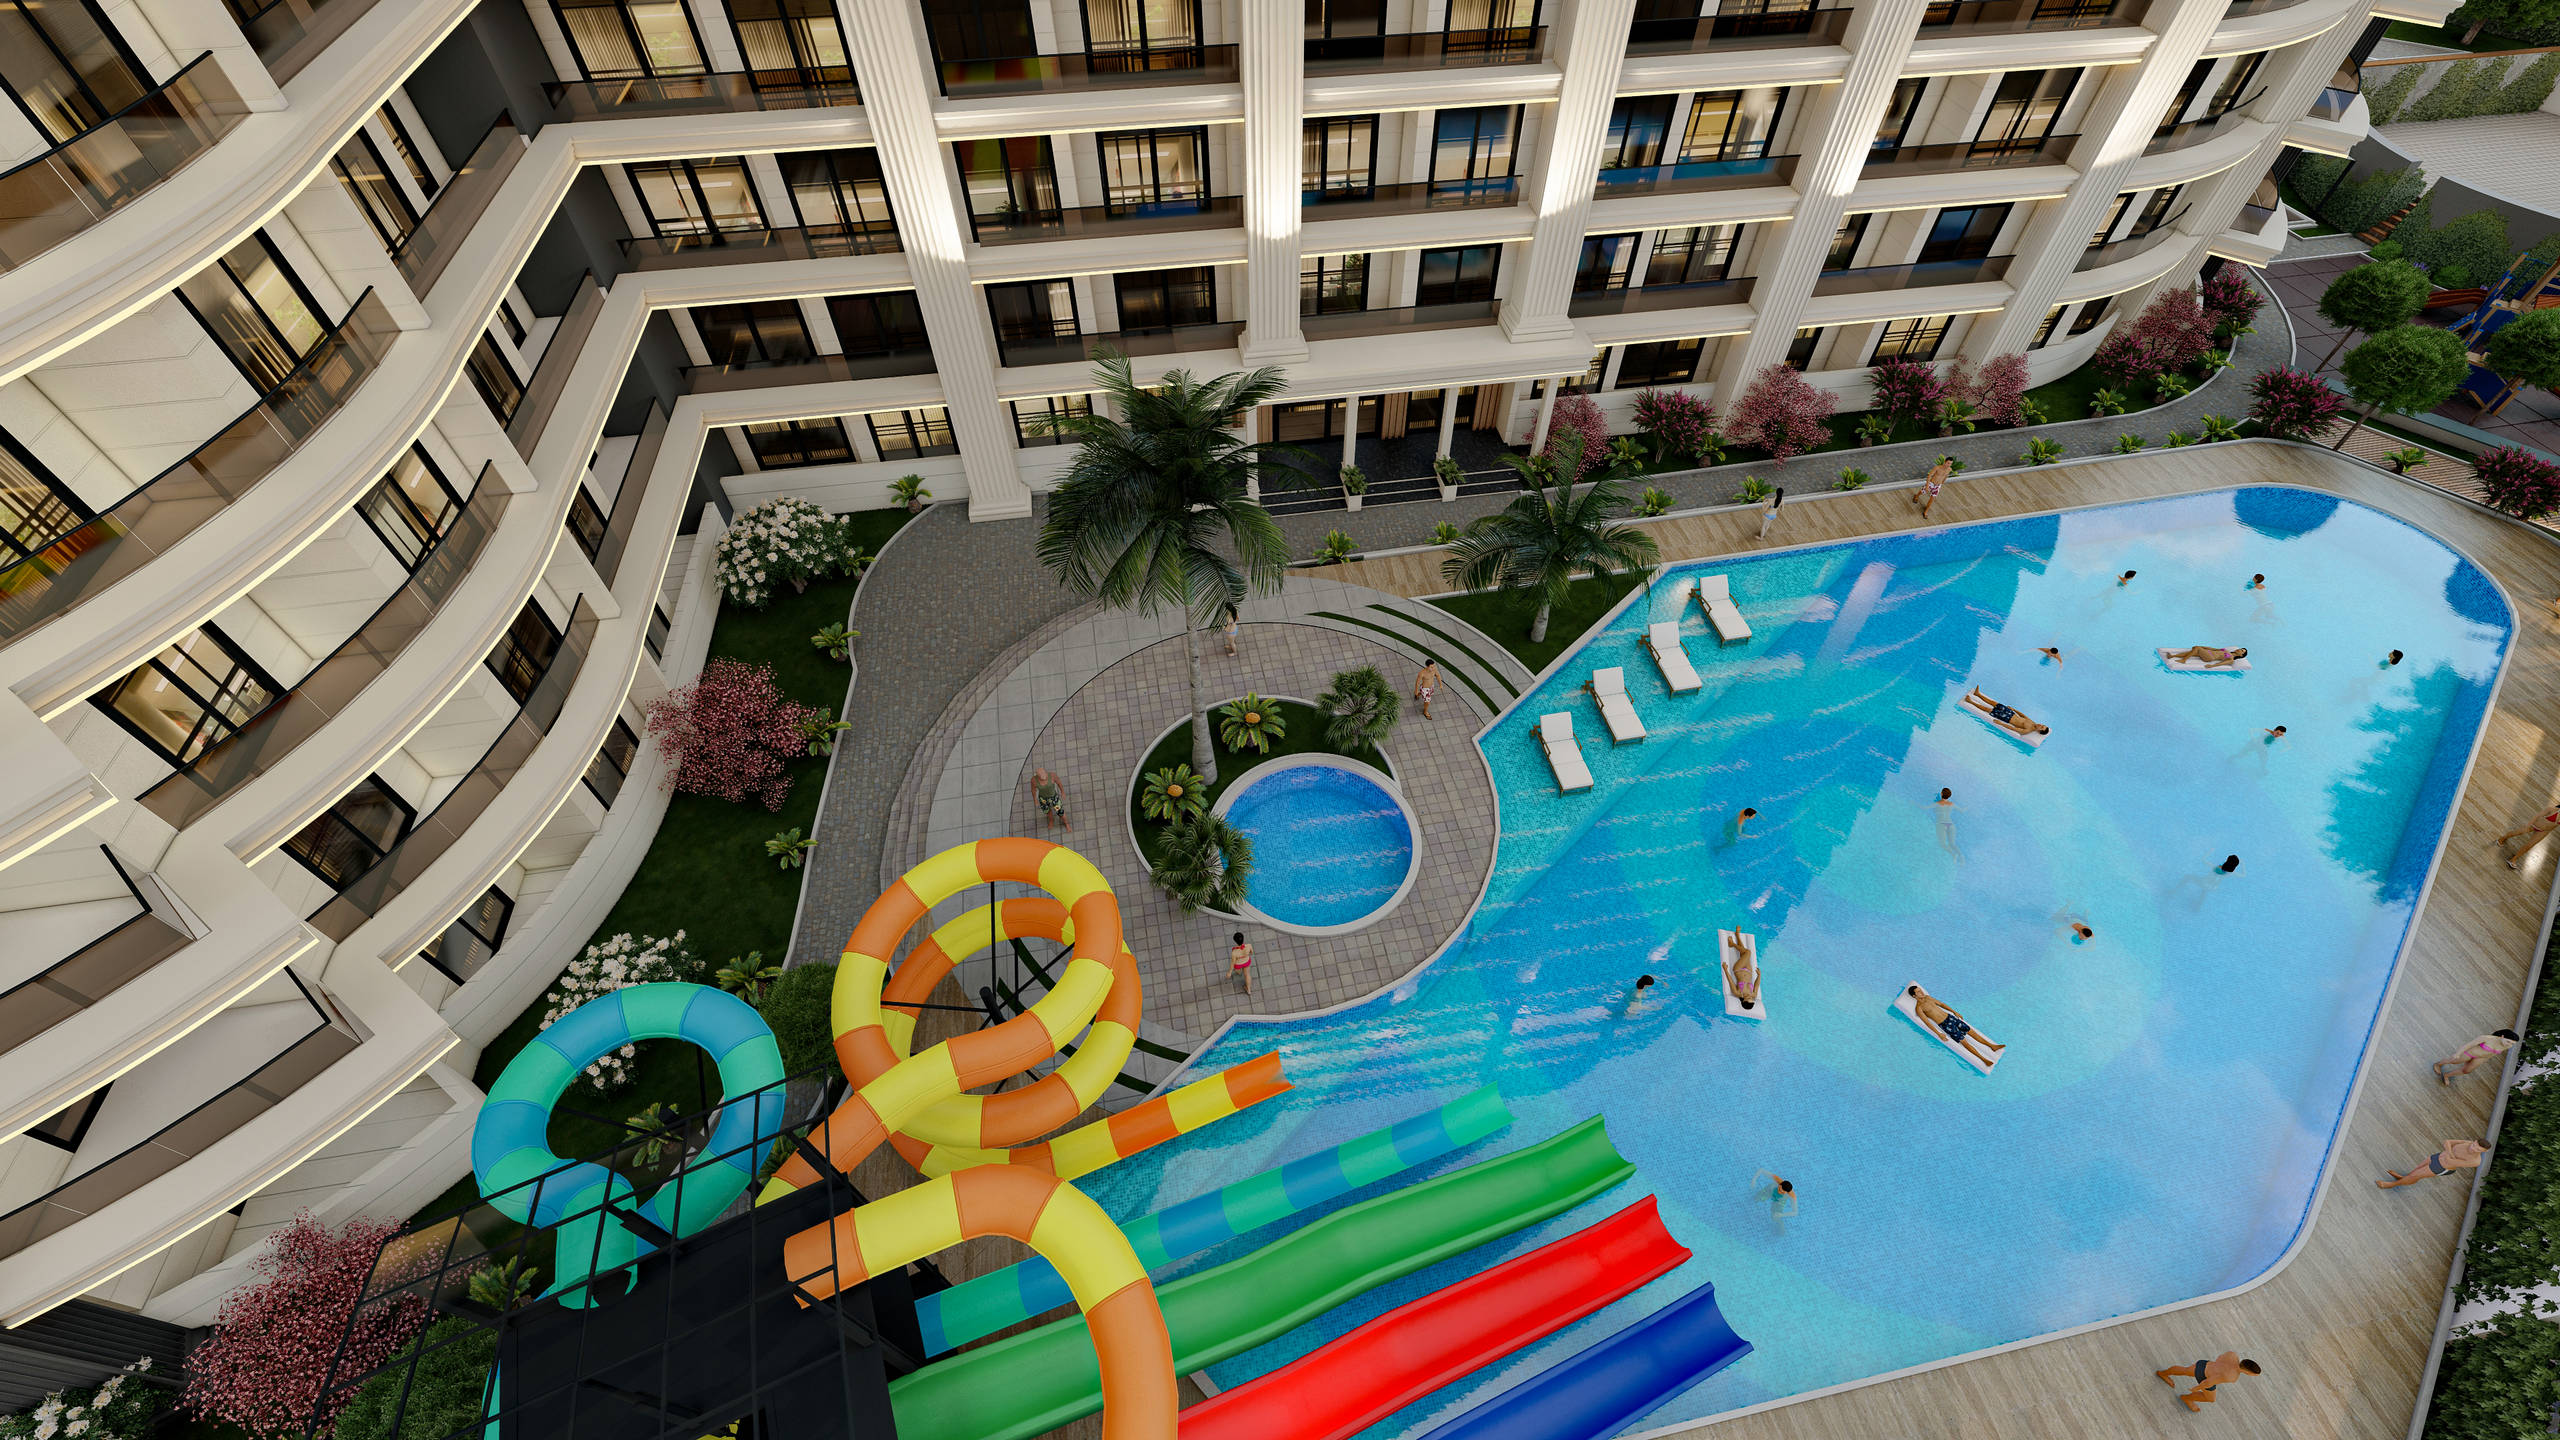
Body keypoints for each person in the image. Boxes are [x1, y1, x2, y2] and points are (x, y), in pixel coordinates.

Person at [1907, 984, 2004, 1066]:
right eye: (1918, 992)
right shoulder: (1919, 1008)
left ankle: (1992, 1046)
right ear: (1914, 996)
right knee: (1965, 1043)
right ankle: (1984, 1060)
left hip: (1951, 1018)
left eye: (1920, 990)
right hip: (1945, 1025)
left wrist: (1954, 1012)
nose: (1921, 992)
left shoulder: (1928, 998)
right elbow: (1927, 1023)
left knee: (1973, 1033)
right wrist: (1938, 1033)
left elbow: (1941, 1004)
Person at [2156, 1353, 2262, 1412]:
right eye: (2253, 1375)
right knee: (2210, 1398)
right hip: (2204, 1375)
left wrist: (2216, 1369)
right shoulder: (2232, 1376)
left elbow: (2219, 1358)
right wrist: (2196, 1388)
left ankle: (2163, 1373)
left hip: (2204, 1364)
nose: (2253, 1376)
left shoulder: (2232, 1355)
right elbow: (2208, 1382)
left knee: (2184, 1370)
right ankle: (2187, 1398)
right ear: (2248, 1372)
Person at [2379, 1137, 2489, 1188]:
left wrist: (2448, 1151)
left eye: (2478, 1149)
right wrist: (2450, 1152)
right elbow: (2447, 1141)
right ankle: (2403, 1178)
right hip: (2437, 1157)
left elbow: (2450, 1160)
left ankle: (2392, 1185)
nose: (2473, 1148)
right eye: (2474, 1145)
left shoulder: (2475, 1161)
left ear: (2484, 1151)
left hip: (2441, 1167)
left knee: (2415, 1175)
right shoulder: (2468, 1143)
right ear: (2474, 1141)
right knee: (2416, 1170)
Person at [2435, 1029, 2521, 1084]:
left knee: (2466, 1071)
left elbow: (2493, 1053)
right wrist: (2458, 1053)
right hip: (2470, 1053)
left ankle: (2447, 1075)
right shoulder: (2486, 1038)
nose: (2509, 1045)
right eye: (2508, 1041)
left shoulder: (2506, 1046)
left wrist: (2484, 1059)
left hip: (2481, 1058)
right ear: (2502, 1036)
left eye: (2512, 1044)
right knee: (2453, 1061)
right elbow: (2469, 1044)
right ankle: (2438, 1064)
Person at [1967, 686, 2050, 738]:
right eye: (2043, 725)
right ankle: (1978, 694)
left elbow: (2012, 728)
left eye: (2042, 727)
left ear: (2039, 731)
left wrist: (2000, 723)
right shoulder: (2033, 722)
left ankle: (1970, 701)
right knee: (1993, 703)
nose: (2041, 725)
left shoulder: (2027, 730)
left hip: (2006, 718)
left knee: (1987, 709)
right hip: (2011, 713)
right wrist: (2014, 709)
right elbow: (2023, 715)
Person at [2496, 805, 2560, 870]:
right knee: (2517, 833)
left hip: (2544, 831)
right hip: (2534, 825)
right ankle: (2502, 839)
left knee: (2529, 846)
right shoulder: (2552, 809)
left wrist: (2546, 832)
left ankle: (2513, 859)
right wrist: (2528, 826)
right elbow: (2537, 816)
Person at [1723, 932, 1760, 1010]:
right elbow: (1756, 985)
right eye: (1751, 999)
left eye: (1748, 998)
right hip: (1749, 970)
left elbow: (1731, 982)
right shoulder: (1754, 995)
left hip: (1738, 969)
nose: (1750, 997)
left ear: (1743, 1001)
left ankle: (1732, 944)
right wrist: (1759, 976)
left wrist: (1725, 970)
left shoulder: (1737, 993)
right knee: (1744, 953)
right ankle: (1737, 936)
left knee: (1748, 952)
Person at [2164, 644, 2248, 667]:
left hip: (2209, 658)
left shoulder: (2231, 659)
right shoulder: (2226, 650)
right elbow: (2213, 649)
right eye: (2240, 648)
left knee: (2197, 649)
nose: (2239, 649)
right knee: (2195, 651)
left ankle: (2184, 660)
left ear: (2241, 655)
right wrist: (2202, 646)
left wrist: (2212, 666)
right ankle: (2172, 656)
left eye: (2242, 651)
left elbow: (2222, 663)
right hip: (2208, 653)